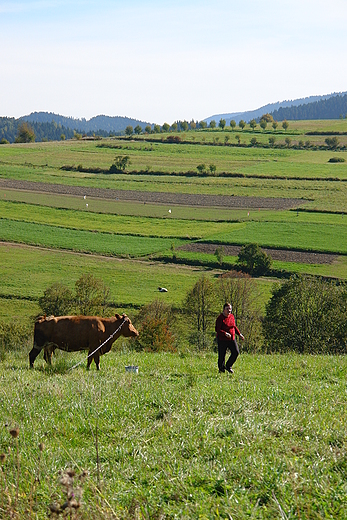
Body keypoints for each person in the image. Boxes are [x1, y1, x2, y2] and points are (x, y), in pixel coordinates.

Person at [215, 302, 244, 374]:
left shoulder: (232, 316)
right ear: (223, 310)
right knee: (222, 355)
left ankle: (228, 366)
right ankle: (221, 370)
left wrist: (239, 334)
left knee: (236, 352)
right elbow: (217, 329)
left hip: (231, 339)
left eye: (230, 309)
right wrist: (225, 333)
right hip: (222, 339)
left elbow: (234, 326)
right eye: (227, 309)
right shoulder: (220, 318)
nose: (229, 310)